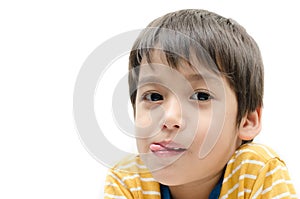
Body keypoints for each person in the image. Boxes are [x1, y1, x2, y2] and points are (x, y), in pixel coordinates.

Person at [104, 9, 297, 198]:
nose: (170, 118)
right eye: (154, 96)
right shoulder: (128, 179)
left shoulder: (257, 171)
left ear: (247, 121)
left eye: (201, 96)